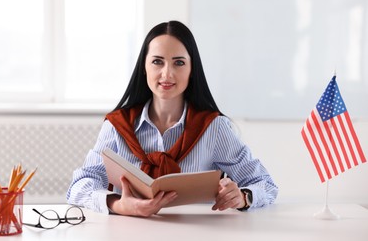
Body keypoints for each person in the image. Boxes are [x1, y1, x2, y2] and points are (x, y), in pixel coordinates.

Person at [66, 20, 278, 217]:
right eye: (158, 62)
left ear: (192, 69)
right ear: (144, 67)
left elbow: (264, 184)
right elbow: (79, 186)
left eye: (178, 63)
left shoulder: (213, 128)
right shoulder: (117, 126)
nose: (167, 74)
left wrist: (242, 197)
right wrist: (118, 204)